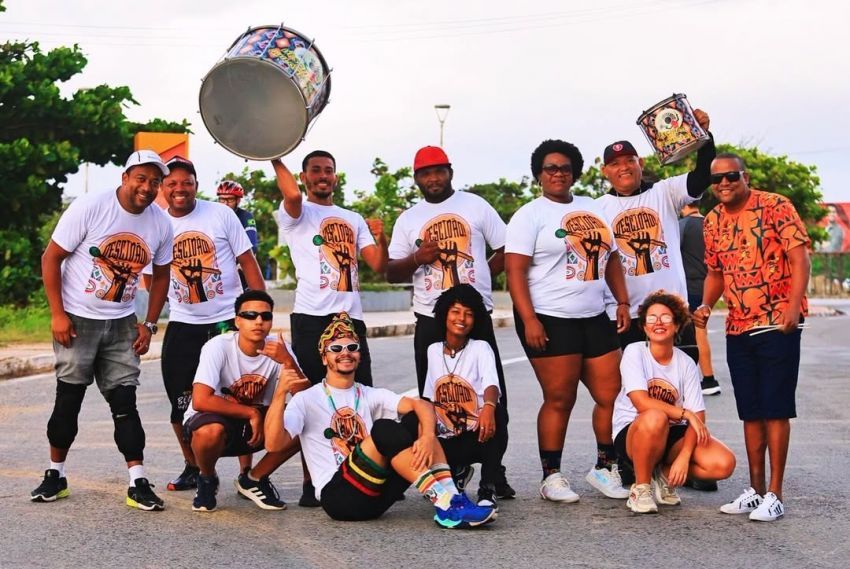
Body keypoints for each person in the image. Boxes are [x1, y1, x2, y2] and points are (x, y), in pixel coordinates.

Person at [31, 150, 174, 511]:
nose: (147, 187)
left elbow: (161, 275)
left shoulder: (159, 222)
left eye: (154, 182)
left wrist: (150, 323)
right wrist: (58, 315)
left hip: (123, 320)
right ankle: (55, 475)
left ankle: (137, 481)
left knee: (125, 402)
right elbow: (51, 257)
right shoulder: (91, 206)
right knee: (69, 399)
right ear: (125, 177)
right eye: (141, 178)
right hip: (78, 318)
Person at [264, 312, 497, 528]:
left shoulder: (367, 393)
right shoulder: (306, 399)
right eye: (336, 348)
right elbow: (274, 444)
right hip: (339, 498)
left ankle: (451, 501)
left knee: (418, 420)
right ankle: (445, 502)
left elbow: (423, 405)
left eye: (352, 347)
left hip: (376, 496)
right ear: (325, 358)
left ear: (358, 355)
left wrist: (427, 436)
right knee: (384, 430)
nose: (345, 353)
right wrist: (279, 395)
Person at [505, 139, 631, 503]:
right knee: (560, 398)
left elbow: (611, 260)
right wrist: (529, 319)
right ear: (538, 175)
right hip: (549, 316)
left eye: (564, 168)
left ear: (574, 172)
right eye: (550, 168)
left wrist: (621, 301)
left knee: (612, 394)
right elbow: (515, 271)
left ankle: (605, 468)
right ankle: (551, 476)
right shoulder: (529, 215)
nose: (558, 173)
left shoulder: (595, 208)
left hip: (594, 315)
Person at [386, 146, 514, 499]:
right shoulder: (408, 219)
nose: (433, 178)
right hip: (430, 318)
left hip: (475, 316)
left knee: (491, 394)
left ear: (450, 172)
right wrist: (419, 257)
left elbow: (506, 245)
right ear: (416, 180)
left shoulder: (475, 206)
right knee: (437, 397)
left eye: (439, 171)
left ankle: (494, 471)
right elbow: (391, 271)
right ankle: (450, 464)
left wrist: (484, 276)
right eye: (426, 173)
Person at [694, 153, 811, 522]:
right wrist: (706, 305)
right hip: (738, 325)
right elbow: (716, 272)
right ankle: (756, 490)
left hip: (778, 322)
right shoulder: (711, 221)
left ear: (744, 176)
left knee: (775, 408)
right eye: (717, 180)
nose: (723, 184)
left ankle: (775, 494)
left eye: (730, 176)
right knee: (750, 412)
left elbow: (800, 259)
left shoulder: (775, 205)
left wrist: (793, 307)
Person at [271, 150, 388, 505]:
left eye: (329, 171)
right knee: (311, 399)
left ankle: (367, 474)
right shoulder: (296, 214)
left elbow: (378, 265)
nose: (323, 176)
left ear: (336, 177)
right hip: (311, 318)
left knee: (360, 397)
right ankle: (312, 483)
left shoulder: (352, 218)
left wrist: (380, 236)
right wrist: (273, 154)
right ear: (304, 176)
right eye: (316, 171)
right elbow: (290, 195)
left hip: (349, 318)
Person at [144, 156, 266, 493]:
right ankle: (193, 467)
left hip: (227, 320)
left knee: (241, 392)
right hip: (184, 324)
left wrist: (258, 309)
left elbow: (247, 261)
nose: (179, 189)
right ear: (162, 188)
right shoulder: (155, 223)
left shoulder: (221, 215)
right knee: (180, 400)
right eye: (172, 183)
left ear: (196, 185)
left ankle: (247, 471)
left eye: (187, 182)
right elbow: (149, 278)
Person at [596, 111, 714, 357]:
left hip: (673, 310)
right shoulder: (597, 208)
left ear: (641, 163)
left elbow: (704, 174)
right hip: (626, 315)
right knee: (635, 388)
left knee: (680, 381)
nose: (624, 167)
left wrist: (704, 136)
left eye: (629, 160)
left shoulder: (665, 191)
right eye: (615, 163)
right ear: (605, 171)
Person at [183, 289, 310, 512]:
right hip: (217, 422)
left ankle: (254, 478)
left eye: (265, 316)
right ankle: (206, 478)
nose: (258, 321)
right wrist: (250, 413)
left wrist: (288, 361)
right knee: (209, 431)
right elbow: (200, 400)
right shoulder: (218, 346)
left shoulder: (280, 349)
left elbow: (308, 400)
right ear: (237, 321)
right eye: (250, 315)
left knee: (309, 420)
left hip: (260, 423)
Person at [612, 291, 735, 514]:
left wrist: (684, 457)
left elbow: (699, 414)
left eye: (666, 317)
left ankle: (662, 475)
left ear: (677, 325)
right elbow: (641, 403)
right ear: (645, 327)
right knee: (655, 416)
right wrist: (685, 414)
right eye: (651, 318)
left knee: (723, 463)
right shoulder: (634, 352)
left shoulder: (685, 362)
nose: (658, 322)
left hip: (671, 433)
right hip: (634, 432)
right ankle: (641, 487)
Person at [423, 285, 508, 509]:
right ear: (444, 314)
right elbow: (428, 398)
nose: (462, 318)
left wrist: (489, 406)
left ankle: (487, 488)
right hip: (445, 439)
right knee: (415, 419)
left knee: (498, 412)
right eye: (456, 311)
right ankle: (453, 472)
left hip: (477, 434)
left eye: (469, 314)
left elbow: (492, 385)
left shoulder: (481, 348)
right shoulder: (432, 351)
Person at [679, 202, 720, 395]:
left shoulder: (683, 225)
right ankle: (707, 379)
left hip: (687, 287)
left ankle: (708, 380)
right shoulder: (710, 223)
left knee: (693, 335)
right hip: (707, 286)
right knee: (700, 332)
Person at [217, 180, 259, 255]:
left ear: (238, 200)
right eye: (222, 199)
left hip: (237, 261)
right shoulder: (213, 216)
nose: (225, 204)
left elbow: (252, 246)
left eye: (230, 200)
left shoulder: (246, 217)